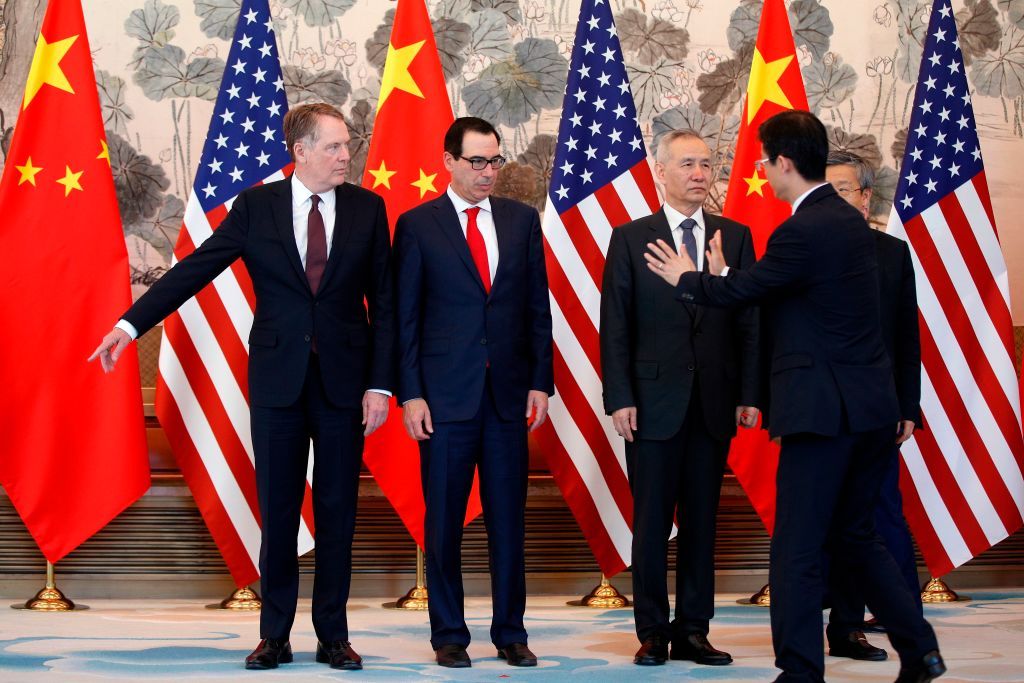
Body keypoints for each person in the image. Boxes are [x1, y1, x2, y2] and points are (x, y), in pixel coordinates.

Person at [89, 103, 394, 672]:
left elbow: (388, 302)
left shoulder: (368, 210)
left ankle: (333, 634)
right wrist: (129, 326)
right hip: (277, 385)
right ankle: (273, 634)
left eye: (347, 145)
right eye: (333, 146)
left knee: (337, 511)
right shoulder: (257, 208)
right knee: (278, 511)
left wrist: (381, 384)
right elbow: (195, 269)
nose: (345, 155)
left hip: (344, 388)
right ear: (299, 151)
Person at [643, 110, 943, 683]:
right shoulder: (851, 224)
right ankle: (920, 648)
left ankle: (801, 670)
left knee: (796, 547)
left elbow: (750, 292)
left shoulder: (803, 228)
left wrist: (689, 277)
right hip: (871, 412)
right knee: (857, 536)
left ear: (783, 163)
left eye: (763, 161)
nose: (761, 171)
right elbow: (789, 297)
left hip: (822, 414)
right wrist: (727, 278)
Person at [393, 116, 553, 669]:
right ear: (449, 162)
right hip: (443, 400)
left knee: (509, 521)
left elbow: (537, 307)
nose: (488, 173)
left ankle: (511, 631)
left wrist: (540, 381)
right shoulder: (418, 225)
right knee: (444, 523)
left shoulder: (521, 221)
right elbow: (404, 319)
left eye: (495, 161)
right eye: (477, 162)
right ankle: (449, 634)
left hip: (508, 397)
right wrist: (409, 394)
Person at [600, 130, 760, 667]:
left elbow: (749, 322)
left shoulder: (734, 238)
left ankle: (694, 629)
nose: (699, 173)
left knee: (702, 522)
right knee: (649, 524)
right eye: (687, 164)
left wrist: (749, 393)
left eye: (707, 164)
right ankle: (652, 631)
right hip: (650, 403)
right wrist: (619, 396)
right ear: (661, 172)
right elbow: (615, 325)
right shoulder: (631, 238)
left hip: (713, 403)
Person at [824, 150, 923, 661]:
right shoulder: (804, 250)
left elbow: (907, 337)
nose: (833, 199)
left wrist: (909, 404)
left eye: (843, 189)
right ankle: (844, 623)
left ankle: (899, 610)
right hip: (822, 412)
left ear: (865, 197)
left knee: (876, 513)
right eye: (826, 189)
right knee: (832, 520)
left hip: (878, 410)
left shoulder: (892, 254)